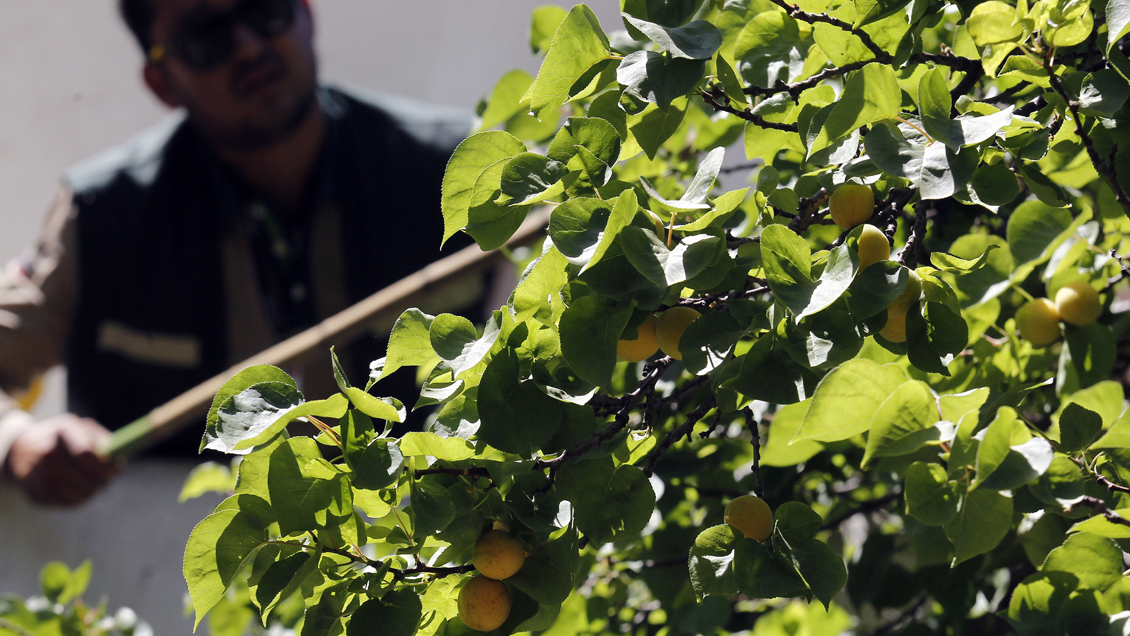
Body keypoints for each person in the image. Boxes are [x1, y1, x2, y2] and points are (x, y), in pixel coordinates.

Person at [0, 0, 480, 506]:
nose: (249, 46)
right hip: (167, 573)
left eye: (267, 12)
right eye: (205, 35)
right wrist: (16, 442)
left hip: (433, 568)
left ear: (307, 14)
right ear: (162, 82)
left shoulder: (459, 171)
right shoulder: (100, 217)